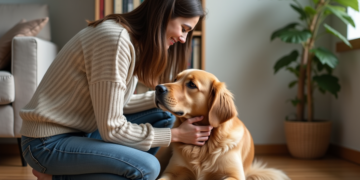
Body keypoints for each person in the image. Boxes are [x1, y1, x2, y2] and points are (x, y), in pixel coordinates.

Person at [19, 0, 211, 179]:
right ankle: (58, 176)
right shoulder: (116, 40)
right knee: (148, 168)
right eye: (184, 29)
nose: (184, 39)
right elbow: (112, 128)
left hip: (80, 132)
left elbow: (116, 104)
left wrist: (161, 99)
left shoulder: (132, 41)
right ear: (163, 15)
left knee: (163, 115)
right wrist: (176, 135)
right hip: (46, 143)